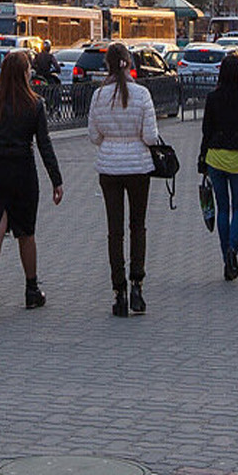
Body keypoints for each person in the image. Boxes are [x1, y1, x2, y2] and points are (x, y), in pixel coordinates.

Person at [0, 50, 63, 320]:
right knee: (26, 233)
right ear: (24, 74)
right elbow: (44, 144)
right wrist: (56, 179)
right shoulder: (34, 104)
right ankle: (31, 289)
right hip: (23, 171)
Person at [87, 41, 160, 316]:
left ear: (107, 65)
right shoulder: (142, 94)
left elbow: (94, 136)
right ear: (129, 64)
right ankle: (137, 286)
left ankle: (119, 292)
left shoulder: (98, 96)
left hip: (109, 168)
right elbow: (150, 136)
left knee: (114, 230)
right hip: (139, 168)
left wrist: (112, 141)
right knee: (137, 226)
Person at [197, 53, 238, 281]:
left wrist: (202, 158)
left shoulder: (212, 98)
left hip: (215, 157)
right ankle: (234, 248)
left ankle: (226, 258)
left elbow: (206, 131)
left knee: (222, 209)